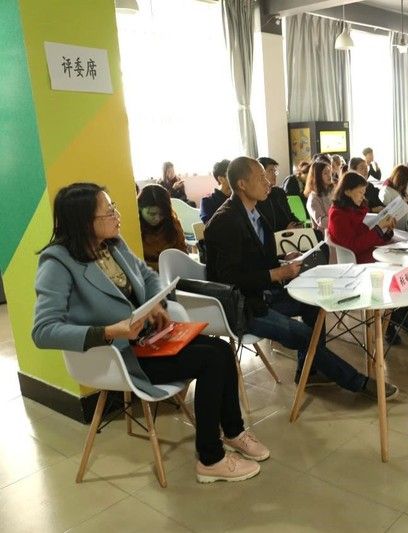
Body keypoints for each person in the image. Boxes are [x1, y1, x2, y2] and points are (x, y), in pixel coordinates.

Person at [32, 183, 268, 483]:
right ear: (84, 222)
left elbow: (148, 275)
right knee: (211, 361)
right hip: (118, 355)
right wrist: (108, 331)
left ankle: (233, 432)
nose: (117, 215)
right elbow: (43, 331)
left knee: (220, 349)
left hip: (149, 338)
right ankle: (210, 458)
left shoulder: (112, 244)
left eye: (114, 207)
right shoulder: (57, 263)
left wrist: (156, 302)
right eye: (109, 212)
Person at [204, 157, 396, 399]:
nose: (268, 182)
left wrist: (283, 260)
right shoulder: (225, 221)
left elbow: (253, 260)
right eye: (261, 178)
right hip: (242, 307)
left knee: (315, 306)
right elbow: (227, 278)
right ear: (242, 184)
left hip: (263, 294)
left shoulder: (254, 212)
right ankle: (357, 382)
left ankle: (309, 371)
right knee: (304, 334)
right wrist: (276, 273)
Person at [327, 172, 408, 344]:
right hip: (355, 261)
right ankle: (391, 319)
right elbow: (354, 245)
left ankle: (398, 314)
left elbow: (366, 235)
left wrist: (386, 230)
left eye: (364, 192)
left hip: (369, 252)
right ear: (347, 191)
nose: (363, 196)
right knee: (398, 272)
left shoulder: (354, 210)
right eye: (360, 192)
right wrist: (378, 229)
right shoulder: (338, 214)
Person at [137, 184, 188, 270]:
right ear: (140, 208)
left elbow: (183, 253)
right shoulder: (134, 226)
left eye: (162, 214)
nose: (157, 218)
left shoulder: (173, 223)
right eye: (152, 214)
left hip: (172, 271)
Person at [257, 157, 301, 232]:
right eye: (270, 171)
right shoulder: (257, 197)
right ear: (261, 174)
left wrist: (298, 223)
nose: (274, 174)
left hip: (291, 233)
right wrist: (285, 231)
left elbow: (289, 215)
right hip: (277, 237)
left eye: (275, 171)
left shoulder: (279, 192)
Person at [378, 165, 408, 230]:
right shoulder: (386, 190)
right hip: (395, 225)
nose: (402, 186)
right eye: (401, 183)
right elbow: (385, 211)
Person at [304, 160, 334, 231]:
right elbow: (322, 221)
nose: (329, 175)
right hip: (323, 234)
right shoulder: (313, 198)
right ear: (317, 176)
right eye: (325, 173)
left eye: (329, 172)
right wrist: (339, 219)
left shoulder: (332, 192)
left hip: (334, 231)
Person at [200, 159, 231, 224]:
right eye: (232, 174)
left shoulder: (240, 196)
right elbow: (209, 226)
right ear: (221, 179)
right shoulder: (207, 201)